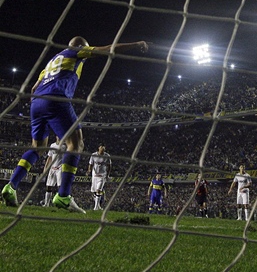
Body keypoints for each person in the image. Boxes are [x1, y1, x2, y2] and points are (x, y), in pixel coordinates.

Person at [1, 36, 148, 213]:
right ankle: (63, 196)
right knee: (76, 144)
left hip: (36, 103)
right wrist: (136, 44)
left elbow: (34, 87)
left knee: (38, 148)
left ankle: (11, 186)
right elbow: (108, 48)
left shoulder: (53, 61)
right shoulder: (76, 52)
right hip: (56, 99)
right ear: (80, 47)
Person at [41, 136, 65, 207]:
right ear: (56, 137)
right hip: (52, 168)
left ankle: (61, 203)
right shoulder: (52, 145)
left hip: (60, 168)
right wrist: (45, 168)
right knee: (48, 186)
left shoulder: (65, 146)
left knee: (59, 186)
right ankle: (46, 203)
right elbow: (49, 157)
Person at [87, 143, 111, 210]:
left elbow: (109, 165)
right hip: (94, 175)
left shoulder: (107, 156)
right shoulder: (94, 155)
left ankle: (95, 207)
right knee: (94, 191)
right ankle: (98, 206)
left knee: (98, 190)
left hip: (102, 175)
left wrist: (107, 174)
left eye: (103, 149)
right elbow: (90, 164)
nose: (102, 150)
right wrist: (89, 170)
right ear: (99, 148)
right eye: (101, 148)